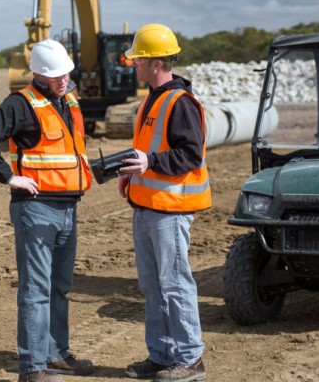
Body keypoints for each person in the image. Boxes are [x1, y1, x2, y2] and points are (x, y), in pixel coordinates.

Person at [0, 39, 96, 382]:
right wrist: (11, 178)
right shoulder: (21, 104)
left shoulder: (68, 100)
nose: (62, 79)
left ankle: (56, 354)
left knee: (60, 286)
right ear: (39, 74)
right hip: (36, 209)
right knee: (36, 290)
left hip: (68, 207)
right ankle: (33, 366)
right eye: (55, 75)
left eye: (65, 73)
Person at [117, 24, 210, 382]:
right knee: (153, 285)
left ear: (155, 62)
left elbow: (189, 156)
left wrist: (150, 164)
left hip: (170, 211)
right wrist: (131, 171)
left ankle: (190, 359)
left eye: (138, 59)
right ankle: (161, 355)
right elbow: (147, 148)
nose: (134, 65)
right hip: (145, 205)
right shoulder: (150, 100)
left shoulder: (180, 103)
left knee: (175, 284)